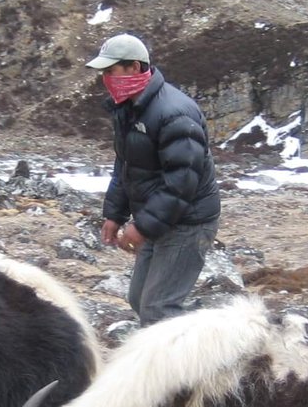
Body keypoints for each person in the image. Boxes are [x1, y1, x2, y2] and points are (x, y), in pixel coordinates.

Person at [86, 33, 221, 325]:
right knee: (139, 299)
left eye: (111, 71)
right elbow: (127, 164)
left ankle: (188, 366)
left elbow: (182, 182)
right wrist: (115, 214)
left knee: (159, 309)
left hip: (188, 222)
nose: (105, 79)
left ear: (134, 68)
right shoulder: (128, 109)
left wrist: (142, 226)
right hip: (158, 219)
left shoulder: (174, 114)